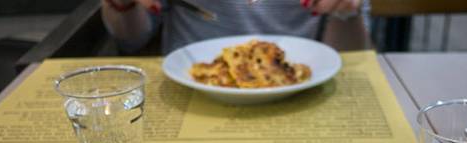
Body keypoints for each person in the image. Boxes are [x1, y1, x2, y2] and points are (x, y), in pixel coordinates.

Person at [101, 0, 370, 55]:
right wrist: (122, 6)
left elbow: (352, 55)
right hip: (187, 92)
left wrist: (345, 12)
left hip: (297, 90)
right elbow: (132, 39)